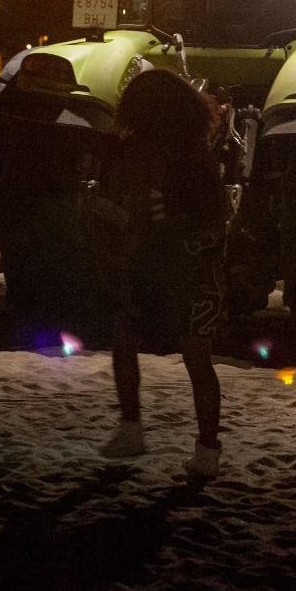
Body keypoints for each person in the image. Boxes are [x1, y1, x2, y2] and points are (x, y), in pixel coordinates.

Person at [93, 69, 230, 479]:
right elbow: (217, 217)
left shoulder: (139, 154)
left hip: (155, 263)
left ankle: (132, 427)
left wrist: (115, 260)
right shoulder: (197, 153)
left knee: (124, 339)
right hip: (199, 269)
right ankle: (207, 451)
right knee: (199, 362)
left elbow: (133, 217)